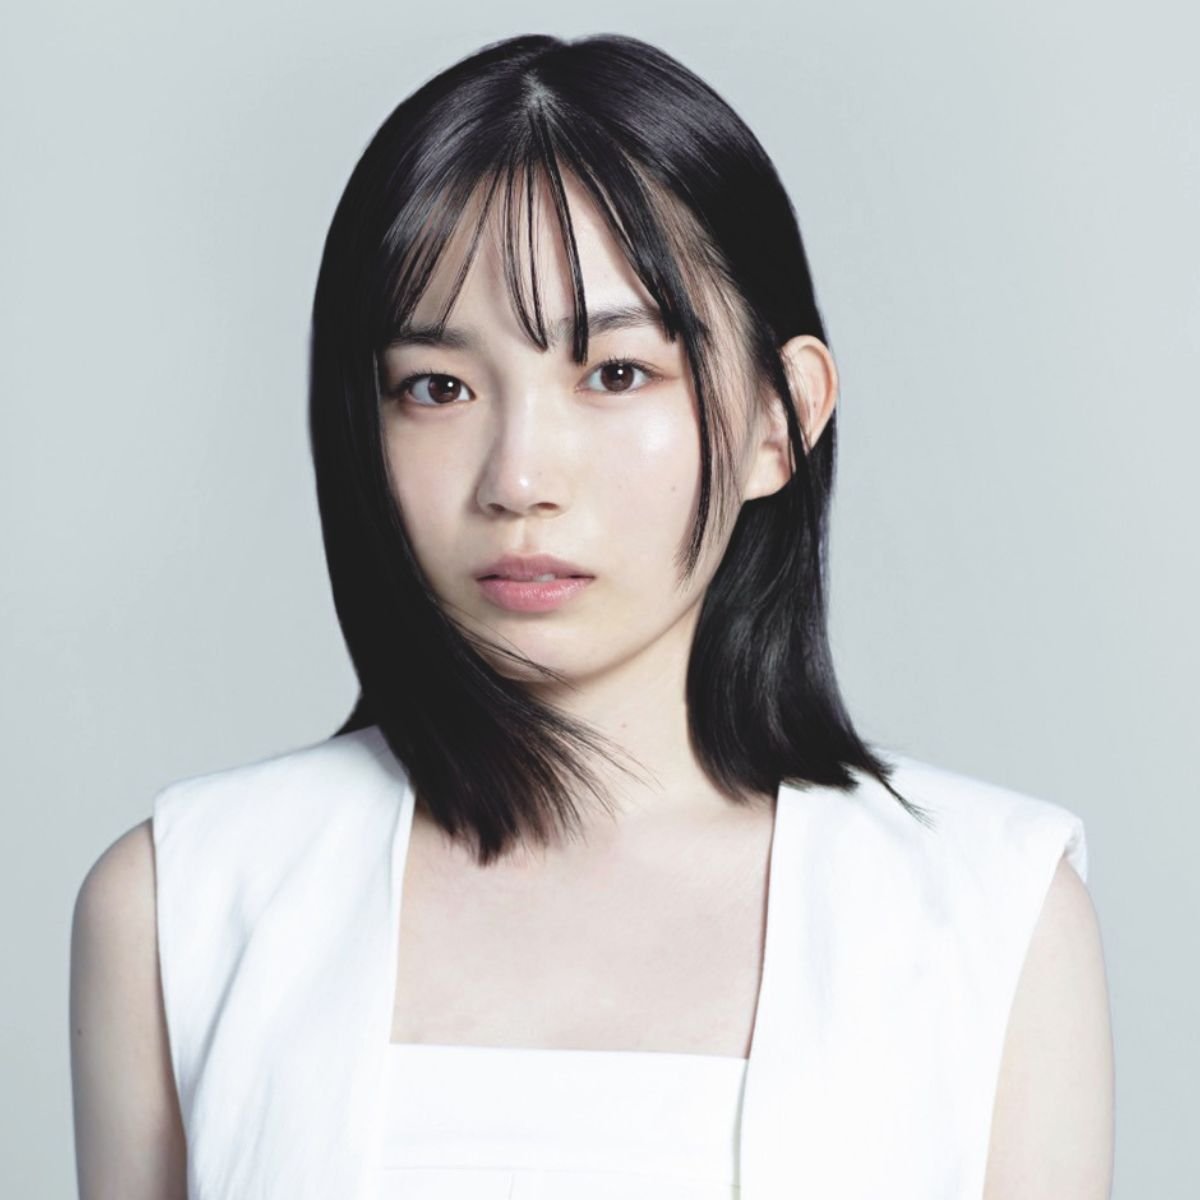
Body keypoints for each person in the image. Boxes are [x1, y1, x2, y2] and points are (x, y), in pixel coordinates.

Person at [69, 31, 1114, 1200]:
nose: (518, 478)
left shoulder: (987, 912)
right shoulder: (184, 902)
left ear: (782, 418)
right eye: (437, 387)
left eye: (616, 373)